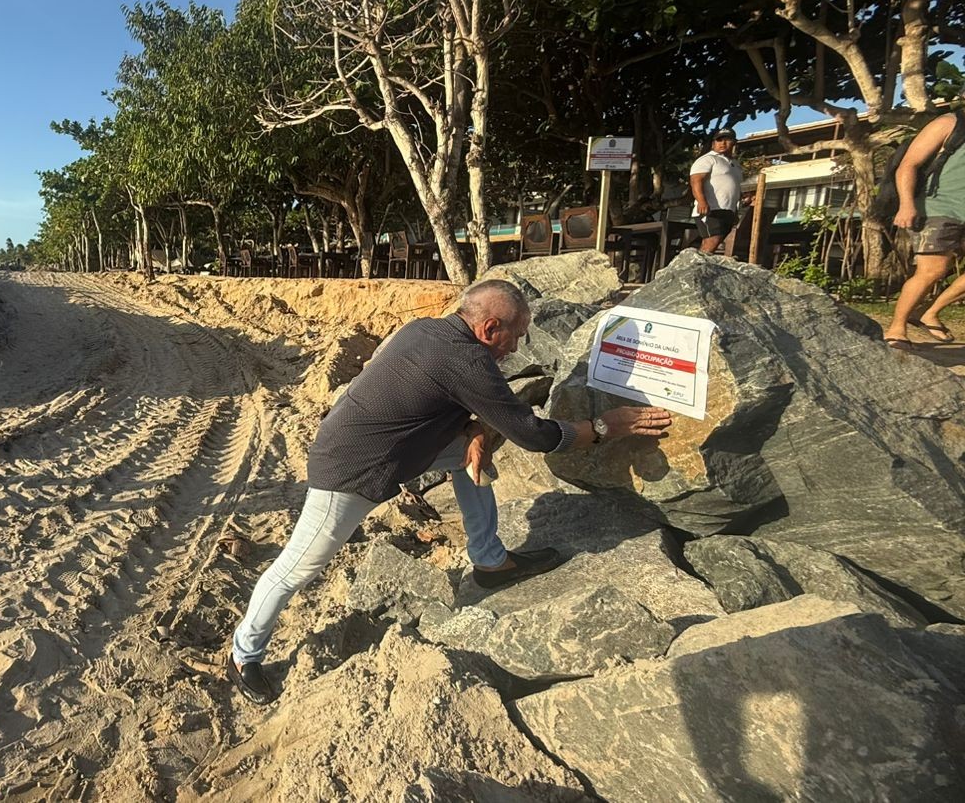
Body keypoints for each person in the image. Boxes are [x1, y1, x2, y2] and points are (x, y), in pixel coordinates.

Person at [226, 280, 673, 705]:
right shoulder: (468, 362)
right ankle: (243, 654)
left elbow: (437, 396)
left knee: (470, 456)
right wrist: (605, 426)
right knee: (298, 568)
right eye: (515, 336)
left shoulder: (429, 330)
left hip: (387, 446)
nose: (517, 348)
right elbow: (534, 436)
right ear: (489, 329)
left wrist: (476, 430)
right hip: (352, 468)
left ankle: (490, 560)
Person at [885, 111, 965, 349]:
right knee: (933, 269)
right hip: (938, 207)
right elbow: (908, 165)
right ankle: (897, 328)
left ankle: (930, 313)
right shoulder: (949, 123)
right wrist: (906, 204)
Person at [689, 127, 745, 254]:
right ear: (714, 143)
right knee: (713, 240)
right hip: (711, 208)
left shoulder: (735, 165)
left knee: (715, 241)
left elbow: (734, 188)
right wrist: (702, 201)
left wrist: (737, 209)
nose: (723, 143)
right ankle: (699, 268)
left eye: (727, 140)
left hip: (728, 209)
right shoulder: (708, 159)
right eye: (719, 140)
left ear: (734, 143)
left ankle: (699, 266)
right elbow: (696, 180)